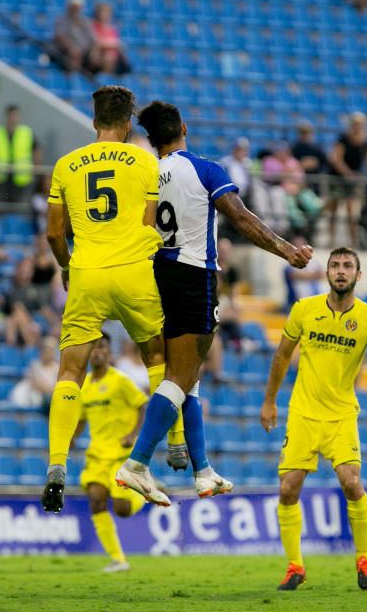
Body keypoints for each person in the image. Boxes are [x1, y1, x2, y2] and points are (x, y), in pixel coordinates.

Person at [115, 100, 313, 506]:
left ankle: (203, 471)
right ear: (184, 127)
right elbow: (241, 218)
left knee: (187, 376)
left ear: (151, 140)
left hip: (159, 273)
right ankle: (135, 463)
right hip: (194, 273)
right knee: (180, 376)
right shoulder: (205, 169)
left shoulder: (148, 173)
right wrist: (287, 250)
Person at [41, 85, 174, 513]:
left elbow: (52, 233)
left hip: (88, 273)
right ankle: (174, 445)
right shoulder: (145, 161)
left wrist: (66, 264)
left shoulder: (67, 165)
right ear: (129, 122)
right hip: (134, 271)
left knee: (70, 371)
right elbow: (148, 221)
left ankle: (57, 464)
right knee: (157, 356)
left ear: (94, 119)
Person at [260, 247, 367, 592]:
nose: (341, 271)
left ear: (358, 275)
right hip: (303, 413)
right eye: (335, 265)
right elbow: (281, 355)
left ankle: (363, 560)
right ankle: (295, 567)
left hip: (341, 415)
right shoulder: (304, 310)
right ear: (326, 274)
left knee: (351, 482)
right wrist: (269, 401)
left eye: (347, 266)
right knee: (287, 488)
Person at [74, 333, 148, 573]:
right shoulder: (83, 385)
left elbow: (143, 406)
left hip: (120, 455)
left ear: (109, 352)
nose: (96, 352)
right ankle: (118, 559)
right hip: (97, 455)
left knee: (122, 510)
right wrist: (67, 443)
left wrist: (132, 435)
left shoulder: (120, 381)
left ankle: (145, 491)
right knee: (96, 499)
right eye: (92, 348)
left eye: (102, 347)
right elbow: (81, 420)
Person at [326, 112, 367, 247]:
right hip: (338, 178)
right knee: (334, 209)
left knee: (352, 211)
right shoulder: (343, 139)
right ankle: (331, 239)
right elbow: (336, 159)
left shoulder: (365, 142)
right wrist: (348, 174)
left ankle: (352, 242)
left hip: (353, 179)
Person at [0, 105, 41, 203]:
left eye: (15, 115)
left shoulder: (26, 132)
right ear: (6, 116)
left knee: (19, 206)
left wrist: (35, 173)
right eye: (11, 115)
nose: (13, 118)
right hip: (0, 176)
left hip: (21, 176)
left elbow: (37, 152)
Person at [53, 0, 101, 73]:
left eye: (78, 7)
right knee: (75, 53)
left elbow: (94, 39)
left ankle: (92, 77)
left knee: (101, 58)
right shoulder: (62, 21)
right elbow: (60, 37)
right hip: (67, 51)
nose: (76, 10)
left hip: (85, 50)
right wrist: (71, 47)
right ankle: (74, 76)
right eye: (74, 7)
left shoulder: (86, 21)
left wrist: (94, 52)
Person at [91, 2, 131, 75]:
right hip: (99, 55)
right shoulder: (93, 26)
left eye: (108, 12)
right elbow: (97, 42)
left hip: (113, 57)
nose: (106, 15)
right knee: (108, 57)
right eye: (103, 12)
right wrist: (113, 43)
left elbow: (117, 44)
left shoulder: (112, 29)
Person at [291, 120, 329, 195]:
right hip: (298, 182)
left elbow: (325, 165)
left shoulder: (317, 149)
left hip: (316, 182)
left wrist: (315, 165)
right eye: (302, 132)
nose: (305, 135)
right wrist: (300, 165)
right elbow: (289, 164)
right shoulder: (295, 148)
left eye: (307, 132)